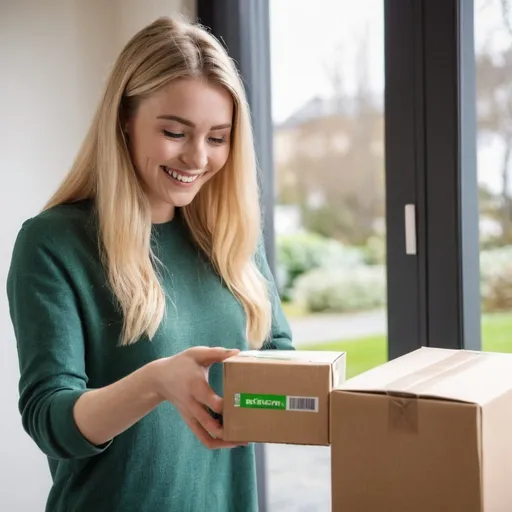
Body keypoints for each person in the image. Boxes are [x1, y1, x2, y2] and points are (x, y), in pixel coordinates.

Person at [7, 16, 293, 512]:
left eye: (218, 137)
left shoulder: (231, 236)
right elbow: (49, 419)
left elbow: (277, 352)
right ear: (124, 120)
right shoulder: (54, 243)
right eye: (175, 132)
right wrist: (156, 381)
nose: (197, 157)